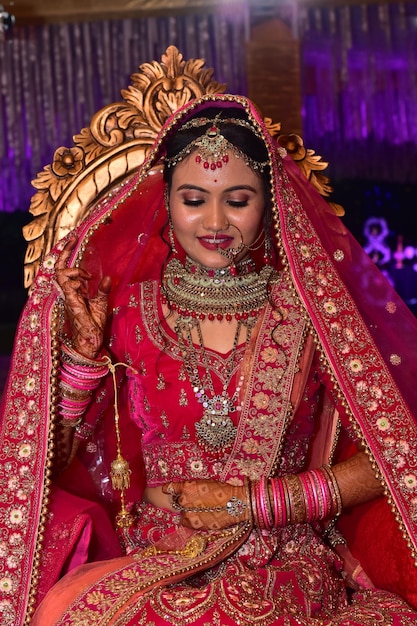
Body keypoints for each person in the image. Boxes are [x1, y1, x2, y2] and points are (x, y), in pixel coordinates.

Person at [1, 93, 417, 626]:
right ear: (164, 201)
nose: (215, 221)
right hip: (156, 564)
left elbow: (395, 457)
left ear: (270, 202)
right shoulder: (126, 312)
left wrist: (255, 504)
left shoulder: (314, 311)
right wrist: (83, 355)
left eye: (238, 200)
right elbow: (45, 470)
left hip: (282, 564)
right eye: (194, 199)